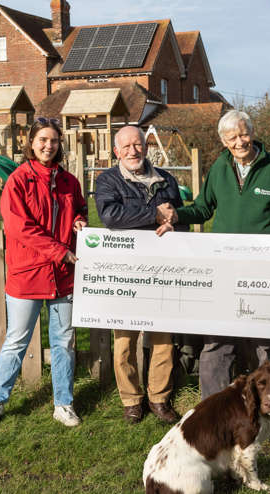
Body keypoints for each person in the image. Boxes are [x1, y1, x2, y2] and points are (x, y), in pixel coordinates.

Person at [156, 110, 270, 400]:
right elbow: (203, 208)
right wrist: (177, 216)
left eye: (243, 134)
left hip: (265, 270)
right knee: (217, 341)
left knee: (268, 343)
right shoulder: (219, 169)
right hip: (224, 268)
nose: (240, 142)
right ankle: (213, 407)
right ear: (224, 141)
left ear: (252, 132)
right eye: (232, 137)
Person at [0, 118, 87, 428]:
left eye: (53, 140)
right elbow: (20, 228)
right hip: (28, 275)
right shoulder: (18, 181)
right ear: (31, 143)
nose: (48, 145)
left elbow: (79, 208)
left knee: (64, 342)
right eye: (42, 140)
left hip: (63, 277)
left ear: (59, 144)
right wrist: (59, 251)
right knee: (16, 341)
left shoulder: (70, 182)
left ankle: (63, 404)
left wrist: (80, 220)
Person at [94, 125, 184, 424]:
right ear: (116, 151)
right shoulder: (107, 181)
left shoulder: (166, 180)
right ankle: (131, 400)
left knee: (163, 339)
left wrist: (172, 222)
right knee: (124, 341)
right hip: (126, 271)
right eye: (127, 146)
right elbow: (111, 217)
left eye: (138, 144)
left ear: (146, 147)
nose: (134, 151)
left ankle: (159, 398)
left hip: (162, 269)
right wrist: (154, 215)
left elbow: (178, 216)